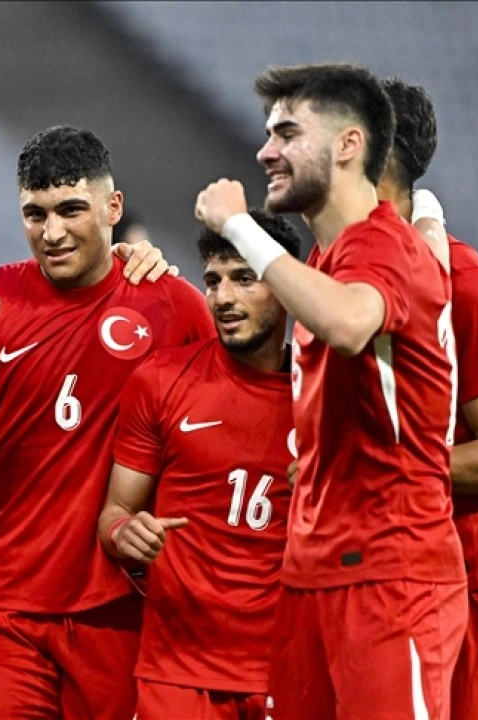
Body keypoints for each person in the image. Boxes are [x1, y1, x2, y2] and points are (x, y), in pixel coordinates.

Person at [194, 62, 464, 720]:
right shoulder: (332, 257)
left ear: (349, 144)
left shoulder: (381, 248)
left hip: (391, 577)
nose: (266, 151)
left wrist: (240, 227)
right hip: (315, 575)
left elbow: (348, 323)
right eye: (268, 134)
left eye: (287, 133)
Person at [0, 125, 213, 720]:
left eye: (71, 210)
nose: (51, 233)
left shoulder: (174, 305)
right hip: (5, 610)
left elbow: (216, 434)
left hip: (122, 605)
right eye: (35, 214)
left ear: (112, 208)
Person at [99, 209, 301, 720]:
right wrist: (125, 533)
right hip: (178, 674)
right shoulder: (162, 381)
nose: (224, 297)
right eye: (213, 281)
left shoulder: (327, 396)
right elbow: (115, 514)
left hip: (291, 671)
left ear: (287, 288)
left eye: (245, 279)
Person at [377, 77, 478, 720]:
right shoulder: (339, 269)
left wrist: (380, 467)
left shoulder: (469, 286)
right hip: (379, 579)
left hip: (470, 586)